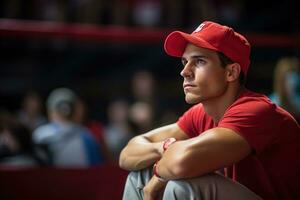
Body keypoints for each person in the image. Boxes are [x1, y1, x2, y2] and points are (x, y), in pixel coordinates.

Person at [119, 21, 300, 200]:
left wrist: (160, 174)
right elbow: (128, 154)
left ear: (231, 72)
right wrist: (165, 147)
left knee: (183, 185)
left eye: (199, 61)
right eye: (185, 61)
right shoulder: (202, 112)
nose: (185, 71)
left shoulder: (256, 110)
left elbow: (181, 162)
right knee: (139, 176)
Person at [32, 88, 103, 167]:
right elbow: (96, 168)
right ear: (75, 111)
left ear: (51, 111)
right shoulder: (87, 136)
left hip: (50, 179)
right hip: (81, 179)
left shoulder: (40, 134)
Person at [269, 57, 300, 122]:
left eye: (296, 77)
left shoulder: (297, 101)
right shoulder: (271, 104)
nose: (293, 83)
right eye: (289, 79)